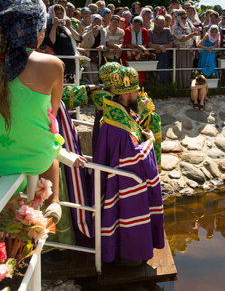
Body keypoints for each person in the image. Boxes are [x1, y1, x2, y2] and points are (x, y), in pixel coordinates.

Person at [0, 0, 65, 222]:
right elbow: (51, 114)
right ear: (36, 29)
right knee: (52, 154)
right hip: (35, 159)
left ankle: (10, 217)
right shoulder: (52, 65)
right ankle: (54, 202)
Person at [93, 67, 164, 264]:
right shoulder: (120, 125)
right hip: (124, 183)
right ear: (126, 93)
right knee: (128, 218)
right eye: (136, 91)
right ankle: (130, 254)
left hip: (117, 177)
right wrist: (149, 142)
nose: (138, 95)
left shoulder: (116, 112)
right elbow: (133, 157)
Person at [44, 4, 82, 82]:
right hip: (60, 62)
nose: (59, 16)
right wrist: (54, 26)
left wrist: (69, 27)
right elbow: (51, 42)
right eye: (57, 14)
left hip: (71, 62)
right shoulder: (50, 26)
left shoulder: (67, 25)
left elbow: (79, 39)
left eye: (61, 13)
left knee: (72, 87)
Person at [172, 9, 199, 88]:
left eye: (185, 17)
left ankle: (187, 86)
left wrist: (196, 32)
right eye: (183, 18)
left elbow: (195, 34)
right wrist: (192, 34)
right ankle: (179, 87)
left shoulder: (189, 24)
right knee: (181, 69)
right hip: (180, 51)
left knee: (188, 69)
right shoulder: (176, 27)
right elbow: (181, 39)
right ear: (178, 18)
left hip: (189, 51)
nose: (185, 19)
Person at [123, 16, 149, 85]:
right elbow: (128, 44)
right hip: (129, 54)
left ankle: (140, 85)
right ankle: (130, 84)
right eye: (135, 24)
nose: (136, 26)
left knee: (140, 70)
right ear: (132, 23)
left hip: (141, 54)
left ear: (141, 24)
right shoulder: (128, 30)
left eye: (138, 24)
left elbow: (145, 43)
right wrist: (138, 47)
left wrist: (141, 48)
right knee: (130, 70)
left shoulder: (145, 31)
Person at [149, 15, 174, 85]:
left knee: (164, 60)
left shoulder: (167, 31)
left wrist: (162, 47)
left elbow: (171, 44)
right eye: (158, 23)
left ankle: (164, 84)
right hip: (154, 54)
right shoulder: (150, 32)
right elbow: (149, 44)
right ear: (155, 22)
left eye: (162, 23)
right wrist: (159, 47)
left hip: (165, 54)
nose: (160, 25)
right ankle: (156, 85)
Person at [81, 14, 106, 84]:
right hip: (87, 54)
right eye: (95, 21)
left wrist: (102, 47)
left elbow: (103, 44)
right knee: (88, 74)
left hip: (97, 56)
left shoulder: (103, 31)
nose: (97, 23)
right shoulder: (87, 29)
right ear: (92, 21)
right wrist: (92, 31)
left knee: (95, 74)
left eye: (99, 21)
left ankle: (95, 89)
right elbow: (83, 38)